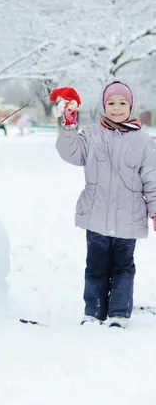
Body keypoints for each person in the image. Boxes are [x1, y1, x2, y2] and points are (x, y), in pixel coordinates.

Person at [54, 81, 156, 328]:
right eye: (111, 103)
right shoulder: (91, 135)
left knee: (123, 267)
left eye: (122, 103)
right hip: (96, 214)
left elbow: (152, 180)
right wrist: (68, 126)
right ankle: (94, 312)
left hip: (128, 219)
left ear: (130, 106)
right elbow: (71, 154)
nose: (117, 108)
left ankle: (119, 314)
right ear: (103, 105)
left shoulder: (144, 142)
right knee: (96, 266)